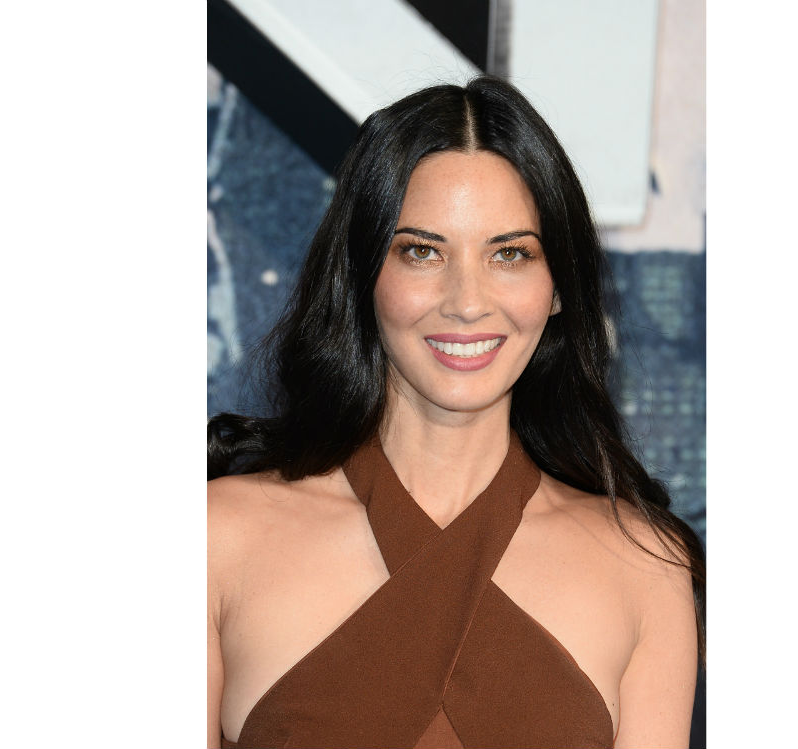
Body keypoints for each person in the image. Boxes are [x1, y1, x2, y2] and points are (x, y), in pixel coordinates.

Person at [207, 76, 705, 749]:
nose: (467, 301)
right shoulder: (217, 541)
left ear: (557, 286)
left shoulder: (646, 568)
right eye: (422, 251)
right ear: (363, 275)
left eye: (510, 254)